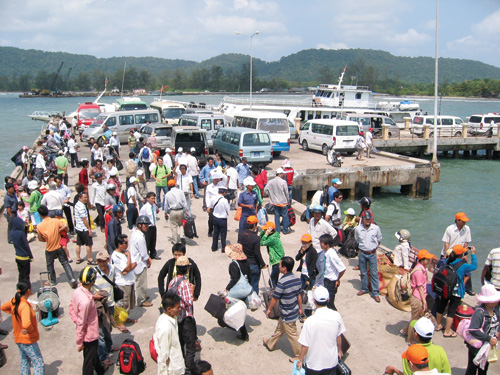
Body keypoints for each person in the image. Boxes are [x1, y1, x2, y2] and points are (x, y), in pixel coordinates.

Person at [296, 286, 346, 375]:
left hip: (313, 364)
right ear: (328, 299)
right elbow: (338, 337)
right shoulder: (336, 316)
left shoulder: (309, 321)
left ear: (314, 301)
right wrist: (339, 351)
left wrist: (300, 360)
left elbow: (305, 346)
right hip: (331, 362)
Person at [263, 256, 303, 362]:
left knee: (292, 334)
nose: (279, 266)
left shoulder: (282, 282)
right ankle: (270, 344)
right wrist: (300, 308)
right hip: (293, 310)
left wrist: (269, 309)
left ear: (284, 268)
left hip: (287, 312)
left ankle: (299, 356)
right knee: (280, 329)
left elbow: (275, 298)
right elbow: (299, 294)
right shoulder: (296, 279)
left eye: (280, 265)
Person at [69, 267, 108, 374]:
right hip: (89, 335)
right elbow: (82, 323)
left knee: (93, 355)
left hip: (86, 332)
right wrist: (80, 342)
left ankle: (100, 370)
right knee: (88, 363)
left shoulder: (77, 291)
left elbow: (71, 308)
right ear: (93, 281)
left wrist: (75, 320)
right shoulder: (86, 302)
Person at [1, 282, 45, 375]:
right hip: (28, 340)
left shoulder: (14, 300)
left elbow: (3, 307)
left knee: (25, 360)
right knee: (38, 362)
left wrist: (14, 313)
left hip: (18, 338)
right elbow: (26, 324)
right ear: (28, 291)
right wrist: (31, 329)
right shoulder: (24, 306)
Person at [384, 317, 452, 375]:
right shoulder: (440, 350)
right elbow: (447, 372)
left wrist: (394, 371)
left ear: (416, 334)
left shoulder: (410, 354)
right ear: (433, 334)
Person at [436, 244, 477, 337]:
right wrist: (473, 254)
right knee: (451, 311)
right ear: (462, 254)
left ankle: (438, 325)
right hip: (457, 291)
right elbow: (474, 266)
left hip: (446, 289)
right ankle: (447, 331)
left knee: (441, 306)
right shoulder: (464, 265)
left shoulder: (448, 261)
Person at [36, 205, 77, 287]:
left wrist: (47, 238)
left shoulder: (39, 226)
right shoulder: (56, 221)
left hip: (49, 248)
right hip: (59, 246)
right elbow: (66, 228)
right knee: (65, 263)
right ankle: (72, 279)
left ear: (40, 215)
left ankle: (52, 281)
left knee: (50, 265)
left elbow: (40, 239)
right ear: (48, 212)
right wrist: (58, 231)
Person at [168, 256, 197, 374]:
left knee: (180, 343)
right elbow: (188, 301)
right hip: (186, 317)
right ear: (187, 269)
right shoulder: (185, 283)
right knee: (190, 346)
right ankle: (188, 369)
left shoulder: (172, 281)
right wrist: (192, 291)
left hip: (176, 317)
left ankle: (180, 365)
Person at [464, 284, 500, 375]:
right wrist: (489, 338)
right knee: (472, 369)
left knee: (483, 369)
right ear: (490, 301)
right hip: (477, 347)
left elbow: (497, 324)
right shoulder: (479, 312)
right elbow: (473, 329)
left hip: (488, 346)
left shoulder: (495, 311)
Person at [401, 250, 434, 342]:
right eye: (427, 259)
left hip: (418, 296)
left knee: (415, 317)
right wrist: (424, 302)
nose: (429, 261)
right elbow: (420, 288)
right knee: (415, 320)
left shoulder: (420, 268)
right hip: (417, 298)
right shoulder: (419, 271)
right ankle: (410, 339)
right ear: (423, 260)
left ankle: (405, 330)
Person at [222, 244, 251, 341]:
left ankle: (243, 334)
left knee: (234, 309)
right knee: (240, 310)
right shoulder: (246, 262)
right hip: (245, 289)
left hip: (237, 291)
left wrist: (227, 288)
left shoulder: (234, 265)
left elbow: (234, 279)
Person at [441, 212, 474, 295]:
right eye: (462, 221)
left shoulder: (467, 229)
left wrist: (465, 254)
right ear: (457, 220)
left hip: (460, 253)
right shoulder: (450, 229)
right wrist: (446, 255)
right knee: (445, 271)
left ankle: (468, 288)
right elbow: (446, 243)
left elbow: (466, 243)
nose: (464, 222)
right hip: (450, 253)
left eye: (465, 221)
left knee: (466, 270)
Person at [154, 293, 185, 375]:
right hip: (172, 369)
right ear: (169, 309)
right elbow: (163, 355)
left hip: (176, 363)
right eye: (177, 307)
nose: (180, 309)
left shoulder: (170, 319)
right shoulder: (165, 328)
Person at [354, 210, 382, 302]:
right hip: (362, 253)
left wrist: (373, 248)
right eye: (366, 219)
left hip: (372, 254)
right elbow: (357, 239)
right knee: (363, 272)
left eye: (369, 219)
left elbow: (379, 239)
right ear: (362, 219)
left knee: (374, 273)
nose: (367, 221)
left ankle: (375, 292)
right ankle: (364, 288)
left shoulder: (376, 228)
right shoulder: (358, 229)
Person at [111, 234, 137, 321]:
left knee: (129, 302)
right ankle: (120, 321)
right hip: (122, 283)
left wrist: (127, 270)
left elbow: (134, 264)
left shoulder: (125, 252)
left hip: (130, 281)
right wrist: (129, 256)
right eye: (125, 243)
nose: (127, 245)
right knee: (123, 303)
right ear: (119, 244)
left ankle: (126, 318)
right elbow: (125, 268)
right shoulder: (115, 255)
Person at [239, 215, 266, 294]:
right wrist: (263, 264)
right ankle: (254, 301)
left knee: (245, 283)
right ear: (254, 225)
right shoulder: (256, 238)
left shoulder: (241, 234)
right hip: (254, 264)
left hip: (243, 263)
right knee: (254, 284)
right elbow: (257, 253)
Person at [318, 234, 346, 310]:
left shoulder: (332, 254)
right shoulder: (325, 252)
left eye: (322, 243)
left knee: (330, 304)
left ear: (327, 244)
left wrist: (338, 279)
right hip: (326, 280)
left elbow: (342, 268)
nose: (320, 244)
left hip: (331, 282)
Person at [130, 215, 153, 307]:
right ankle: (141, 300)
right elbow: (143, 253)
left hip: (136, 260)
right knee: (141, 282)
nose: (147, 227)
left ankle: (143, 295)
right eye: (145, 225)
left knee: (142, 281)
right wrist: (148, 260)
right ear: (139, 225)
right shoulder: (139, 237)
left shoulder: (136, 234)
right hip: (139, 262)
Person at [264, 168, 292, 234]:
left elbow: (265, 190)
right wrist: (288, 201)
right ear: (279, 174)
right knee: (285, 216)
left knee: (277, 216)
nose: (283, 175)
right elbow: (286, 193)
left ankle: (277, 230)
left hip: (275, 202)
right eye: (282, 174)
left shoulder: (270, 182)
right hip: (283, 202)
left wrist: (270, 195)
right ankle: (285, 230)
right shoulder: (283, 182)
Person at [259, 221, 285, 287]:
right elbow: (259, 239)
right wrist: (263, 232)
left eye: (265, 229)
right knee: (273, 280)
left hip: (277, 261)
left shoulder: (272, 239)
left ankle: (275, 294)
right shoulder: (272, 235)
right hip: (275, 261)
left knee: (272, 281)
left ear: (270, 231)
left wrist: (266, 233)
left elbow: (261, 243)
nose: (264, 230)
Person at [74, 192, 95, 265]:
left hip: (78, 227)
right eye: (84, 198)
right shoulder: (82, 207)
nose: (86, 199)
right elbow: (84, 219)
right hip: (83, 228)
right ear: (80, 198)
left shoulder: (77, 204)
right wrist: (89, 229)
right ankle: (90, 259)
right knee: (89, 244)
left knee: (78, 243)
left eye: (86, 197)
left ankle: (78, 258)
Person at [12, 216, 34, 285]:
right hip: (25, 257)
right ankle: (26, 288)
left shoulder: (12, 233)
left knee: (21, 274)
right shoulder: (21, 233)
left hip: (18, 257)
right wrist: (31, 256)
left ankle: (20, 287)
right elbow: (26, 246)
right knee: (26, 275)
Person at [164, 179, 188, 244]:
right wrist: (186, 210)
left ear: (168, 186)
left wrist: (165, 213)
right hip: (180, 210)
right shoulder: (180, 192)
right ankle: (182, 236)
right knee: (180, 224)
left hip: (172, 211)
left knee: (173, 226)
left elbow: (166, 205)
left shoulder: (167, 194)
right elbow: (184, 202)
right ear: (175, 184)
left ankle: (175, 241)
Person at [139, 192, 161, 260]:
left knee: (153, 240)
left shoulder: (154, 206)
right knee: (147, 241)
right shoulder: (144, 208)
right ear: (148, 199)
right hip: (147, 227)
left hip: (153, 226)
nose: (153, 200)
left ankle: (153, 254)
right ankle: (146, 256)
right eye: (152, 198)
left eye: (154, 198)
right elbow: (141, 217)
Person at [211, 186, 230, 252]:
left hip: (215, 217)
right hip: (222, 218)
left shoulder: (214, 198)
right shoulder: (225, 200)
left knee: (215, 233)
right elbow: (228, 209)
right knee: (223, 234)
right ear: (224, 192)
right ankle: (223, 248)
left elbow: (211, 206)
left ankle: (214, 247)